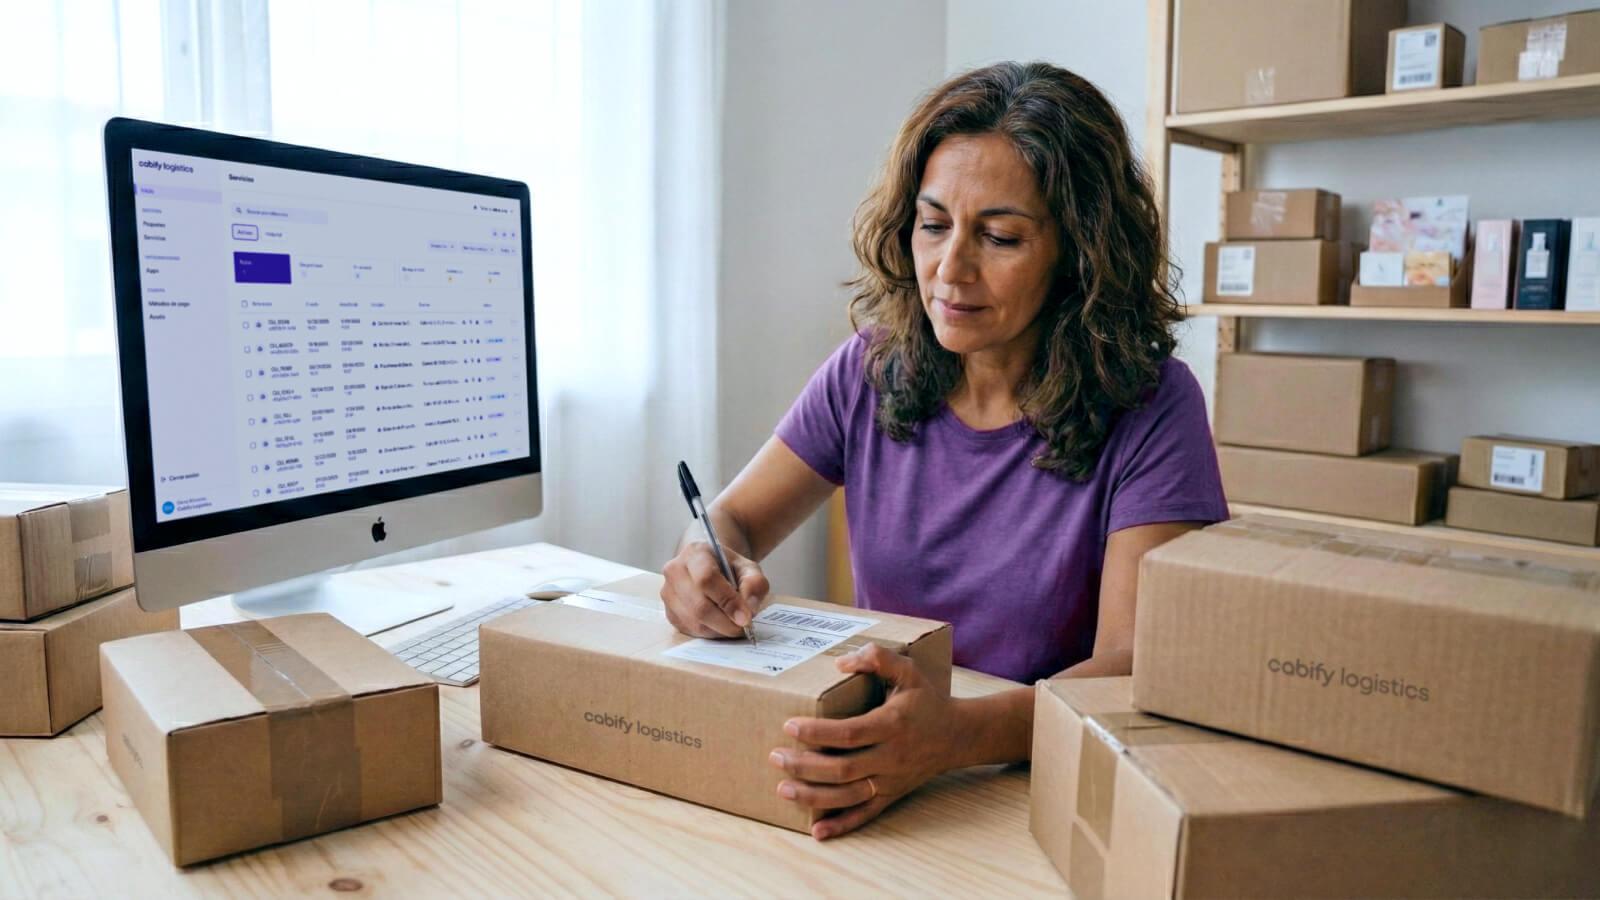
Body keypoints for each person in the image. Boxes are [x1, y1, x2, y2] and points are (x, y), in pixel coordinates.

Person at [660, 61, 1228, 840]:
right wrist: (702, 561)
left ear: (1081, 254)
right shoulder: (871, 368)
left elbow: (1130, 673)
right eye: (933, 225)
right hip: (883, 764)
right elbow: (730, 519)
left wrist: (954, 736)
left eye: (999, 237)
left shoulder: (1154, 403)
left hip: (1040, 783)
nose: (949, 271)